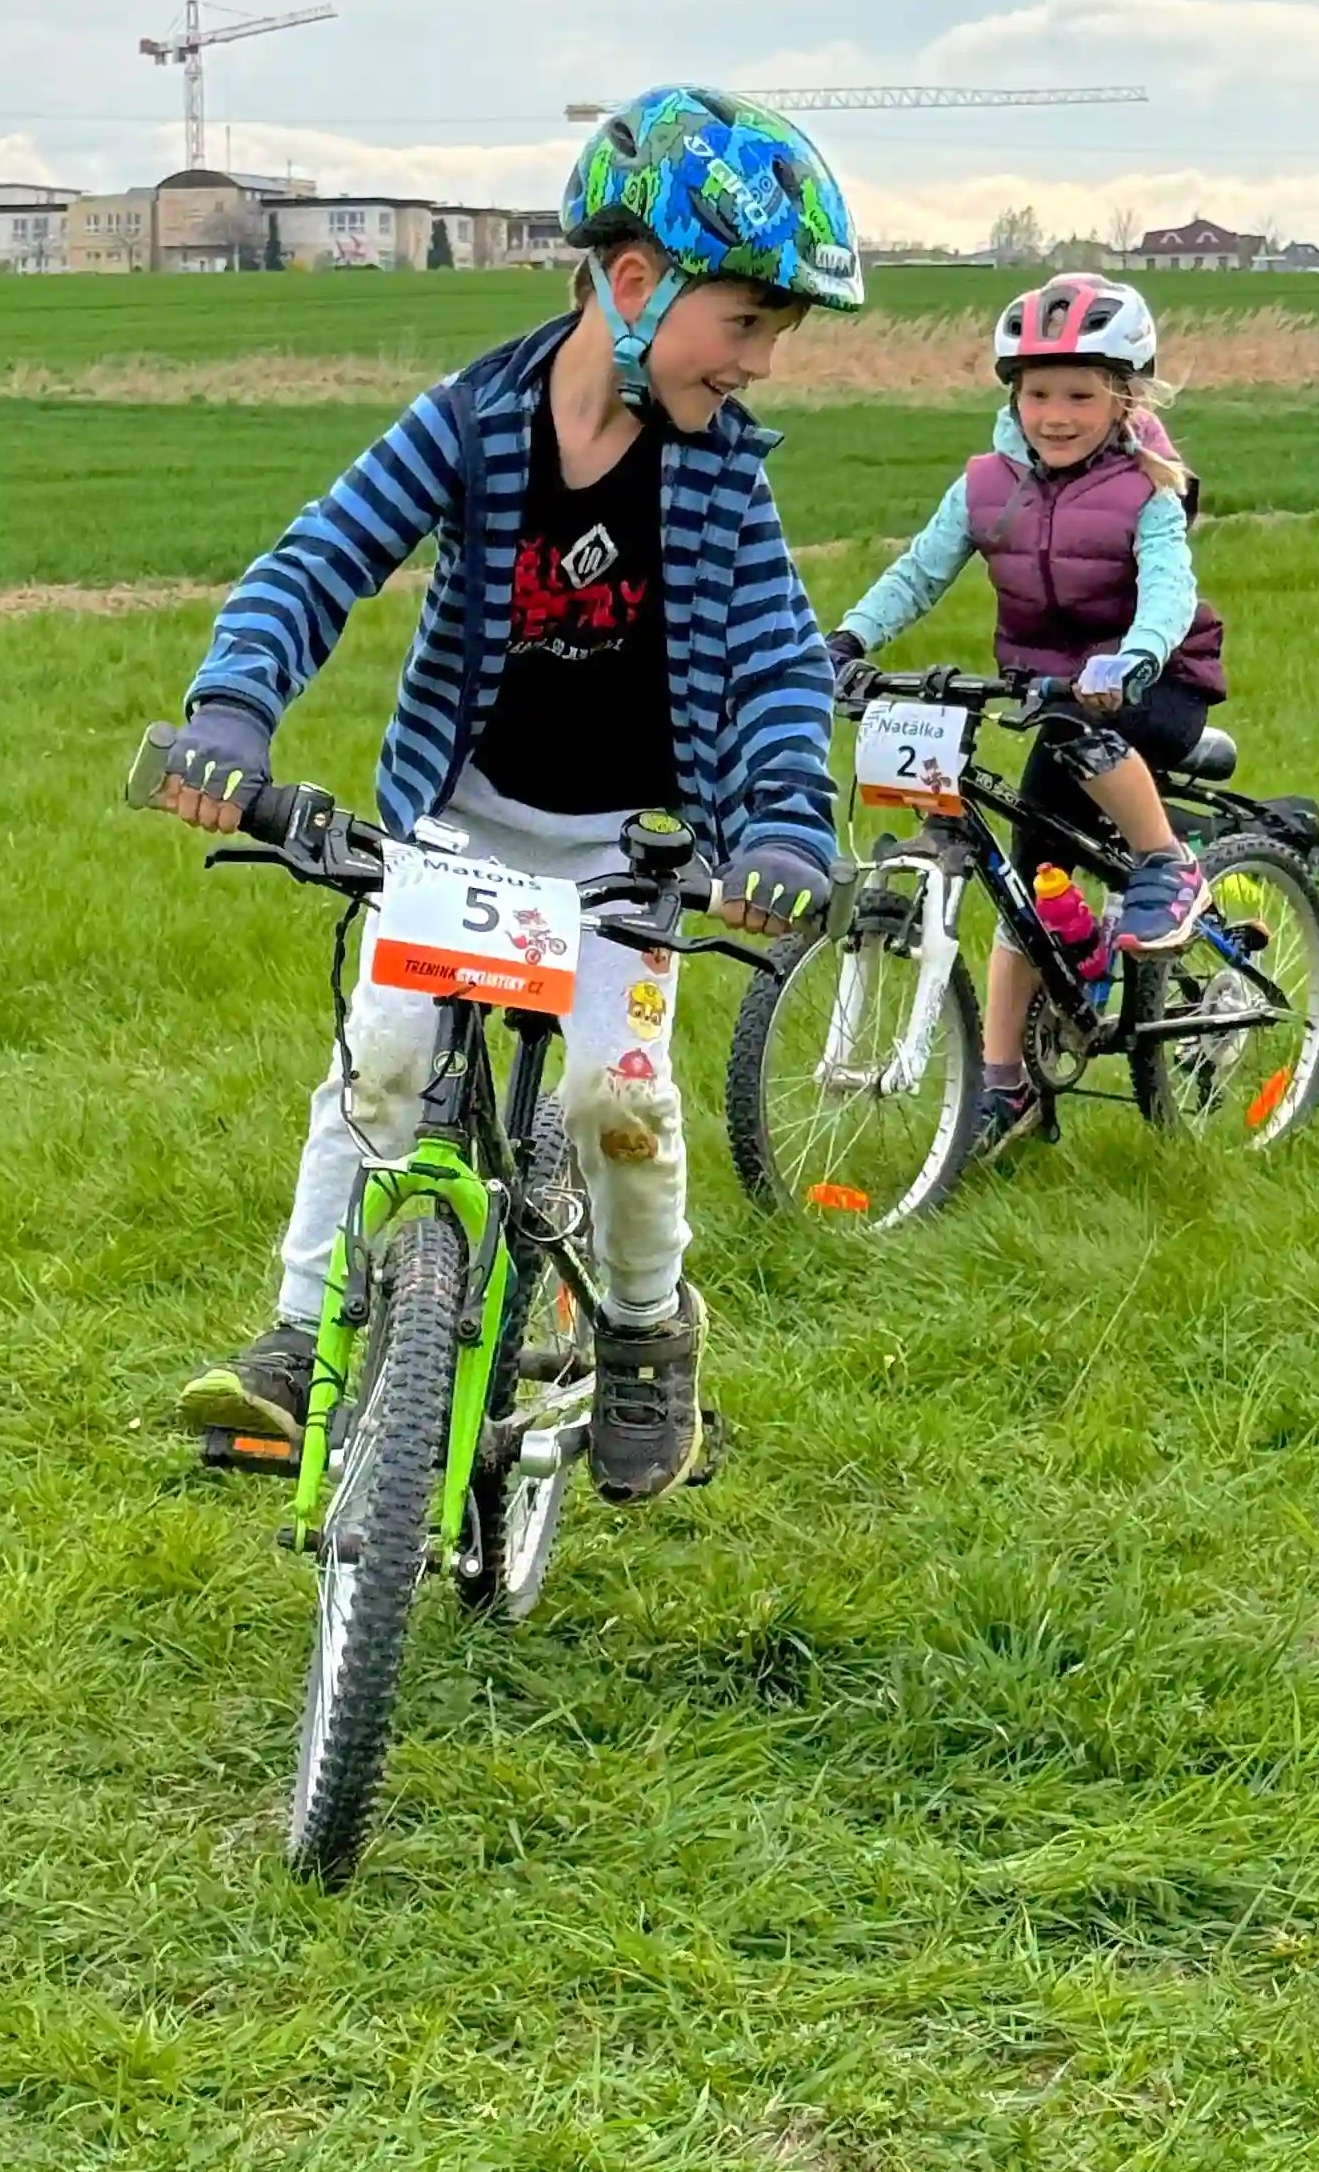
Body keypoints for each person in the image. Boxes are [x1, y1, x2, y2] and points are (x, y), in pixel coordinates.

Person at [152, 88, 862, 1499]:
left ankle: (650, 1336)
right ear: (639, 282)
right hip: (463, 820)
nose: (763, 363)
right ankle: (301, 1339)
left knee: (618, 1099)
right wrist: (233, 708)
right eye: (749, 322)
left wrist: (783, 818)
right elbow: (321, 556)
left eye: (779, 333)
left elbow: (779, 660)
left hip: (628, 848)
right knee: (383, 1062)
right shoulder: (472, 420)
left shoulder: (720, 475)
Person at [821, 274, 1226, 1160]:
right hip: (1050, 697)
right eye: (1038, 393)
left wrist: (1135, 657)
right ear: (1013, 396)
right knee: (1025, 899)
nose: (1056, 412)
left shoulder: (1148, 485)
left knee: (1091, 740)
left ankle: (1168, 862)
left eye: (1080, 394)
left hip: (1154, 684)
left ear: (1123, 397)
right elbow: (920, 572)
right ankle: (1008, 1087)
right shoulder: (987, 485)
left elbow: (1168, 590)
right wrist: (847, 640)